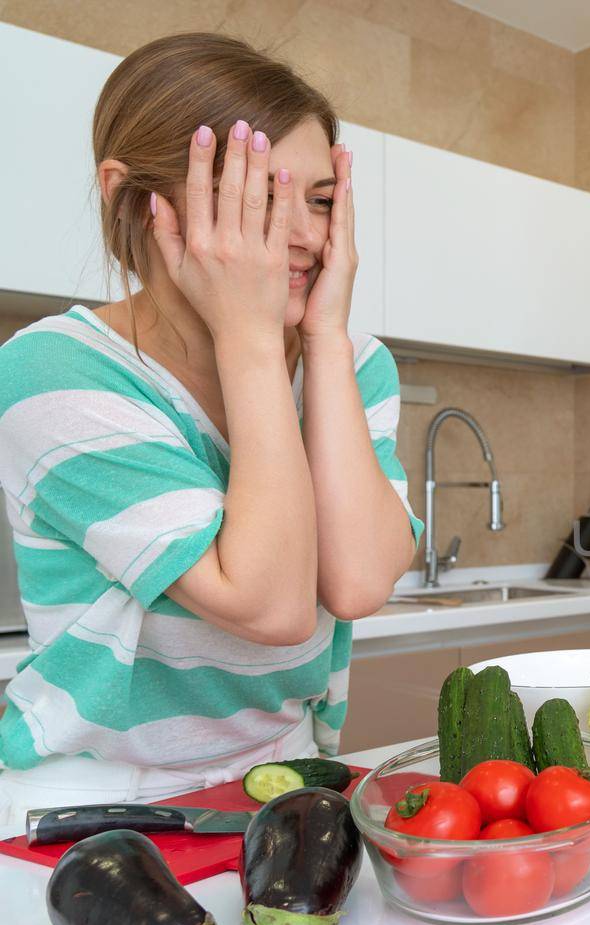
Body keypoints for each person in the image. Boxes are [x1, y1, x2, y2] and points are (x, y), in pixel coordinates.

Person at [0, 33, 422, 831]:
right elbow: (270, 605)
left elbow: (360, 582)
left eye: (322, 200)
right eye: (257, 198)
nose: (305, 236)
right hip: (96, 798)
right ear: (136, 199)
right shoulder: (51, 369)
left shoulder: (352, 364)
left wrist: (325, 341)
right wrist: (254, 341)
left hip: (285, 772)